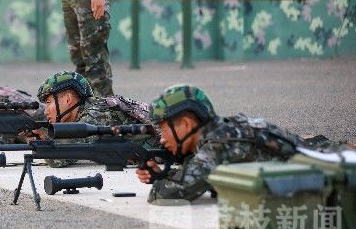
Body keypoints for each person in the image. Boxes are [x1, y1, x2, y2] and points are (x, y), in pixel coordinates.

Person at [136, 84, 343, 203]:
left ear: (186, 124)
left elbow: (168, 194)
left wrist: (160, 183)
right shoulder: (221, 132)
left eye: (163, 129)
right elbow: (203, 176)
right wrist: (163, 174)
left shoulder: (218, 145)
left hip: (335, 170)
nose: (161, 138)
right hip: (324, 160)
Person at [36, 71, 152, 167]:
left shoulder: (94, 116)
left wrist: (39, 139)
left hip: (158, 152)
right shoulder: (92, 109)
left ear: (68, 99)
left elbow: (57, 159)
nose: (46, 111)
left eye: (49, 102)